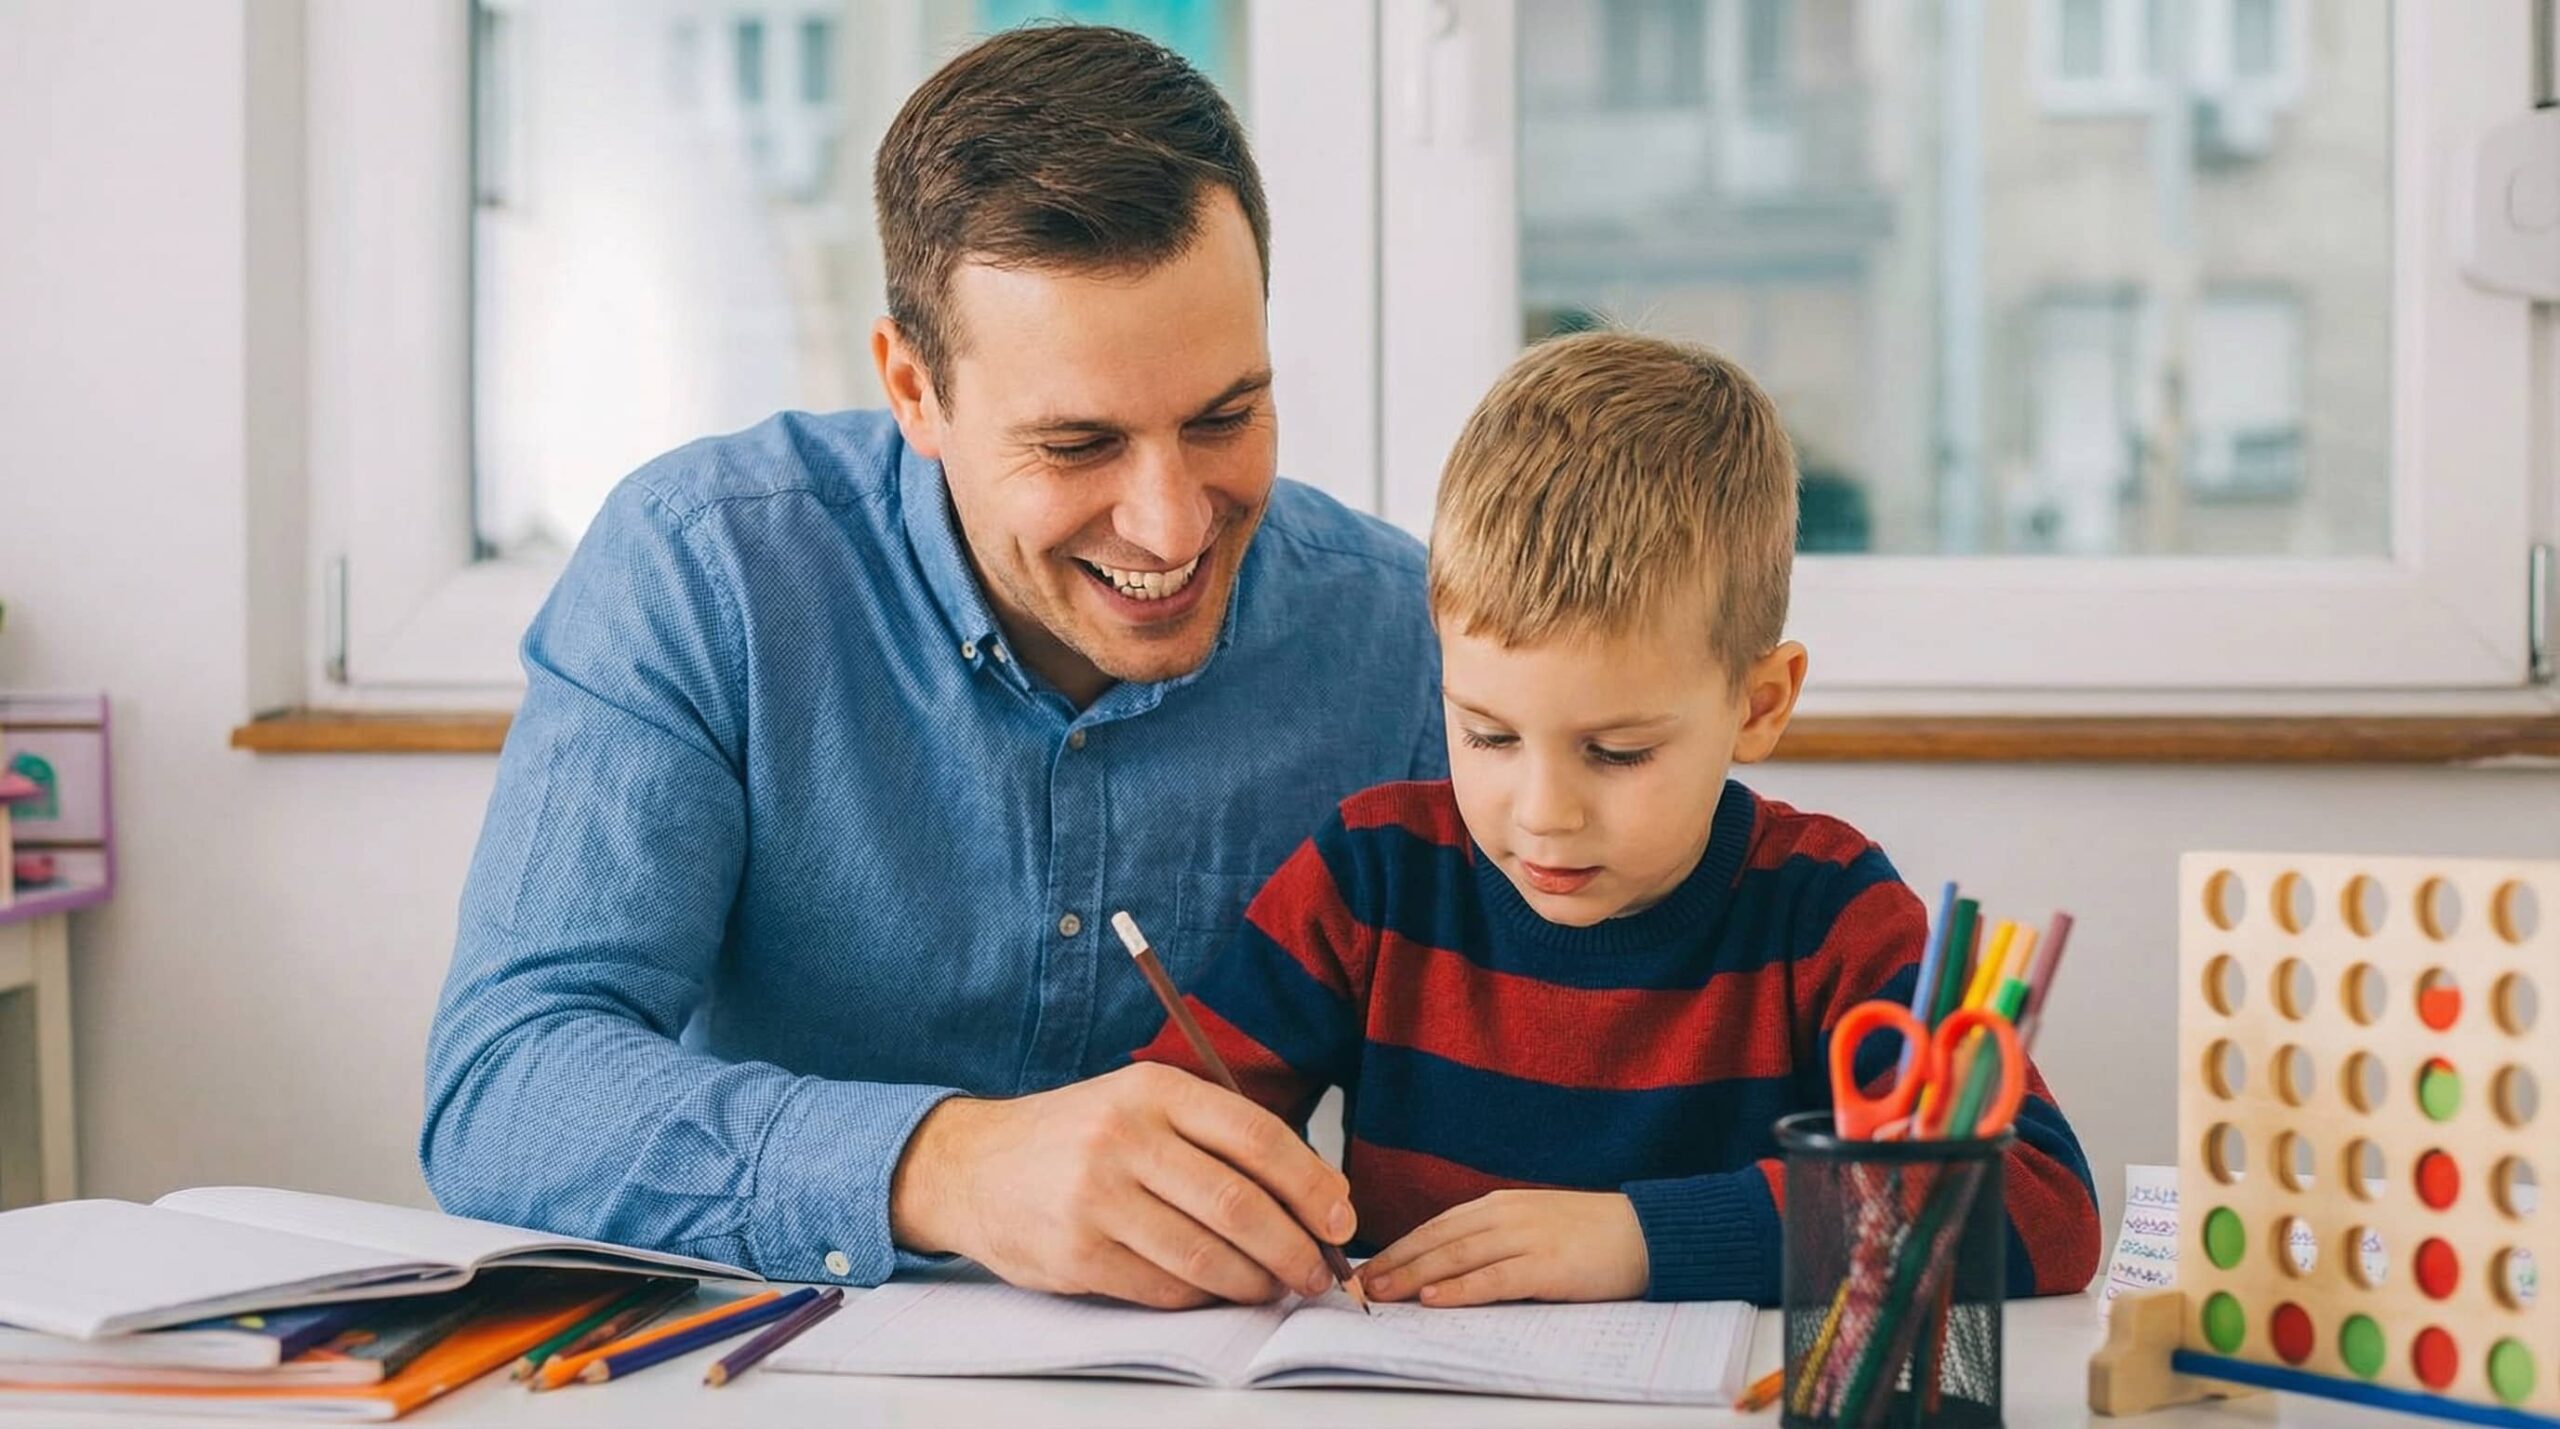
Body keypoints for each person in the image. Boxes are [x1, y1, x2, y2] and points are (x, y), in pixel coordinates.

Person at [421, 25, 1441, 1312]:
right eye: (1077, 444)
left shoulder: (1398, 635)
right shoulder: (704, 571)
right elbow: (503, 1089)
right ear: (914, 388)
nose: (1171, 523)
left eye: (1223, 417)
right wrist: (945, 1165)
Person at [1136, 332, 2103, 1306]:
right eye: (1488, 734)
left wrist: (1645, 1238)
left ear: (1759, 704)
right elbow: (1156, 1143)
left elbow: (2046, 1206)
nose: (1543, 814)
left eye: (1617, 751)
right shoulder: (1371, 878)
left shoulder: (1827, 914)